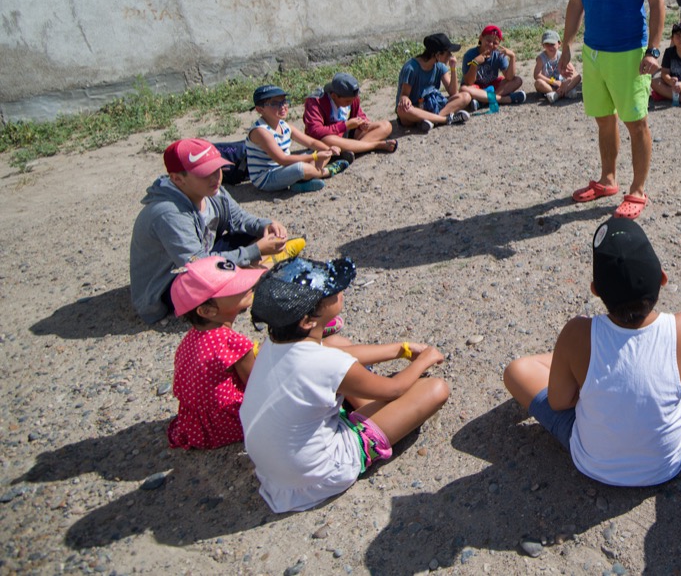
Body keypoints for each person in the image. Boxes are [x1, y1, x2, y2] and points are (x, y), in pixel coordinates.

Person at [502, 217, 681, 487]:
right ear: (662, 278)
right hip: (666, 465)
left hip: (592, 462)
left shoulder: (577, 334)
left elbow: (559, 402)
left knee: (516, 370)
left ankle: (565, 363)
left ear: (595, 291)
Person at [239, 257, 450, 513]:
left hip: (278, 468)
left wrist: (400, 350)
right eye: (331, 290)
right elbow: (392, 389)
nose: (339, 291)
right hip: (320, 474)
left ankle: (369, 407)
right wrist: (423, 361)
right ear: (307, 320)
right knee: (435, 389)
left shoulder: (274, 344)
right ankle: (367, 427)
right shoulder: (325, 364)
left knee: (338, 343)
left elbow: (336, 357)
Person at [561, 0, 666, 220]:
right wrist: (566, 45)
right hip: (593, 52)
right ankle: (608, 180)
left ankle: (637, 190)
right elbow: (577, 1)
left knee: (635, 122)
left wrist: (653, 49)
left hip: (629, 52)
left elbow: (657, 1)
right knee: (603, 120)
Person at [129, 139, 289, 324]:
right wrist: (256, 250)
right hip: (168, 285)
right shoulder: (168, 213)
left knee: (255, 234)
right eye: (205, 173)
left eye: (217, 169)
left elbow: (239, 219)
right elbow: (198, 266)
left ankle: (254, 273)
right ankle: (261, 272)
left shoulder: (213, 190)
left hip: (200, 258)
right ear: (177, 179)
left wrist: (267, 225)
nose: (216, 178)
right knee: (222, 287)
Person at [167, 255, 266, 450]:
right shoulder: (232, 342)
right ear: (206, 311)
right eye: (235, 288)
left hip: (194, 424)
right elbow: (257, 386)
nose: (246, 287)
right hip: (226, 423)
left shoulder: (192, 338)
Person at [245, 85, 348, 194]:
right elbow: (282, 159)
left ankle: (303, 180)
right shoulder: (261, 131)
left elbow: (311, 142)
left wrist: (329, 149)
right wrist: (315, 157)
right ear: (260, 109)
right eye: (275, 103)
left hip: (285, 168)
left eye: (284, 101)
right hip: (267, 178)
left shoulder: (283, 125)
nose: (283, 106)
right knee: (301, 168)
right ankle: (327, 171)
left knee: (321, 151)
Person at [303, 72, 397, 156]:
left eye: (353, 100)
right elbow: (315, 131)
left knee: (386, 126)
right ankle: (374, 145)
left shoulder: (353, 98)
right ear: (334, 96)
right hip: (330, 139)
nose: (351, 103)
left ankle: (352, 150)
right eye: (347, 101)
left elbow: (358, 114)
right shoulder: (316, 102)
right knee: (327, 140)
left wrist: (363, 122)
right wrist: (345, 126)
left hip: (348, 135)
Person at [396, 33, 473, 132]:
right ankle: (445, 119)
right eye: (448, 53)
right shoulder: (411, 68)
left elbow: (453, 92)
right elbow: (404, 95)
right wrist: (405, 100)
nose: (450, 56)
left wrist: (453, 69)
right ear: (437, 55)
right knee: (403, 111)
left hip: (433, 106)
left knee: (465, 97)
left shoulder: (439, 66)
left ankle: (430, 120)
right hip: (415, 109)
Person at [461, 25, 527, 106]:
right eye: (488, 40)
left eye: (495, 43)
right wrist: (475, 63)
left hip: (492, 86)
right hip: (477, 87)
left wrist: (512, 57)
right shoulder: (470, 55)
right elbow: (469, 82)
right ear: (481, 38)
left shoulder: (498, 54)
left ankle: (483, 101)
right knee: (464, 88)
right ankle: (505, 99)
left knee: (517, 80)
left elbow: (509, 77)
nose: (491, 44)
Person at [533, 29, 582, 104]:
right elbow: (536, 75)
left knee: (578, 77)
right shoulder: (541, 58)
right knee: (538, 83)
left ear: (559, 44)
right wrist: (553, 82)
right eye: (547, 44)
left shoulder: (561, 56)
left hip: (562, 83)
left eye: (552, 44)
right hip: (549, 84)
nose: (550, 47)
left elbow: (573, 72)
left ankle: (560, 93)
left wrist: (566, 82)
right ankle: (557, 93)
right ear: (543, 45)